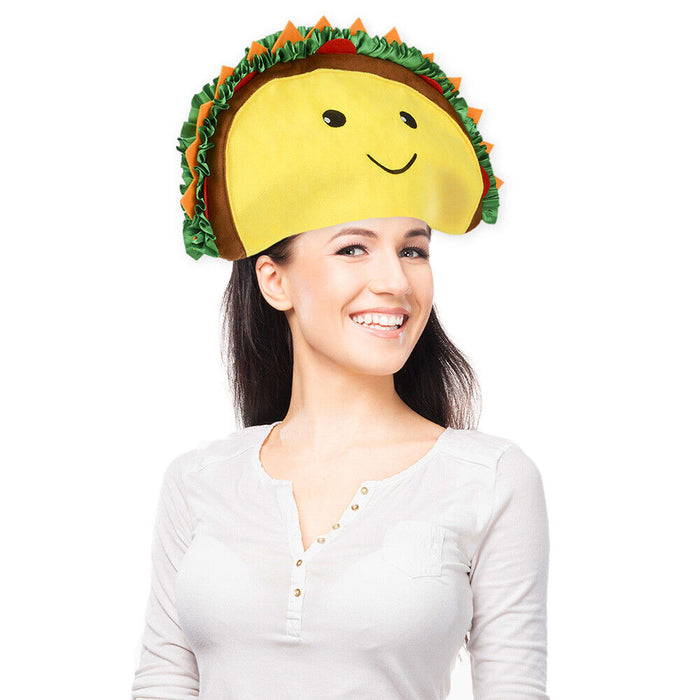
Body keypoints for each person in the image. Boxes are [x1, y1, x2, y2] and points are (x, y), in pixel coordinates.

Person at [131, 17, 550, 700]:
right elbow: (162, 681)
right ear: (276, 281)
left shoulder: (492, 480)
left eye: (413, 249)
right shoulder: (197, 481)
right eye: (353, 248)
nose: (395, 280)